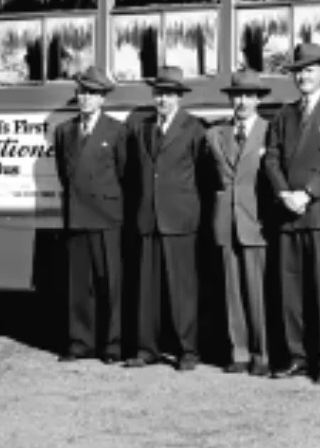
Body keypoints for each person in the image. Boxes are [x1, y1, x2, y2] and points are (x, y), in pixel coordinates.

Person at [262, 42, 320, 383]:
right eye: (299, 70)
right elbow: (270, 158)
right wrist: (284, 192)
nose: (304, 75)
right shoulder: (283, 115)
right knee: (292, 291)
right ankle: (295, 357)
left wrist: (308, 193)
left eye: (311, 69)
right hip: (289, 214)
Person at [125, 66, 210, 372]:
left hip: (180, 219)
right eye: (159, 94)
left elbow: (204, 175)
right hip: (147, 217)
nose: (163, 99)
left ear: (179, 98)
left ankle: (188, 350)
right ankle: (146, 349)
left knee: (182, 289)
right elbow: (131, 172)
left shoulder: (194, 128)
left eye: (169, 94)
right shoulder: (141, 127)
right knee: (146, 290)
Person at [52, 66, 129, 364]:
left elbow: (124, 174)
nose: (85, 98)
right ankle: (80, 342)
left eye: (92, 94)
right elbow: (65, 173)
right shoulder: (64, 131)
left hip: (108, 216)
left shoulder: (117, 131)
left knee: (110, 283)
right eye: (82, 93)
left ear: (102, 99)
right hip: (77, 215)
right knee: (78, 285)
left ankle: (112, 344)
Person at [206, 69, 273, 378]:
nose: (242, 102)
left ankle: (263, 353)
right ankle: (239, 351)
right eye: (237, 96)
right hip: (225, 220)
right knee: (231, 291)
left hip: (256, 220)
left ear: (258, 99)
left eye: (248, 96)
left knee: (258, 291)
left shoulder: (270, 132)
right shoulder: (215, 134)